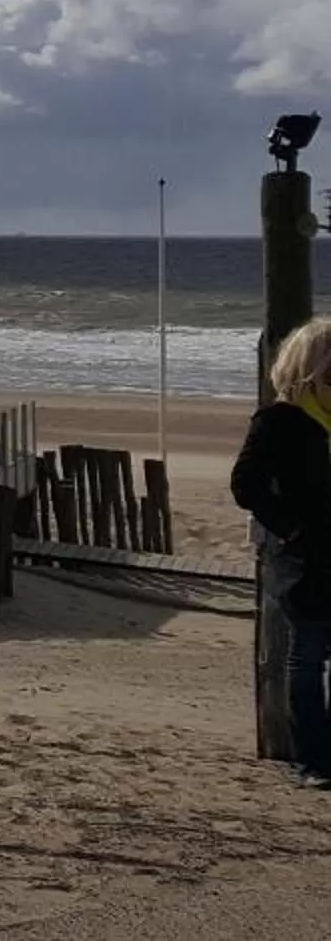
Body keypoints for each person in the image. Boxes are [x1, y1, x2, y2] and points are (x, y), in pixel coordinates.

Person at [231, 316, 331, 788]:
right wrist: (290, 528)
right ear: (309, 370)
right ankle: (313, 761)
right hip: (308, 560)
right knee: (307, 658)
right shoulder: (280, 420)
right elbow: (246, 484)